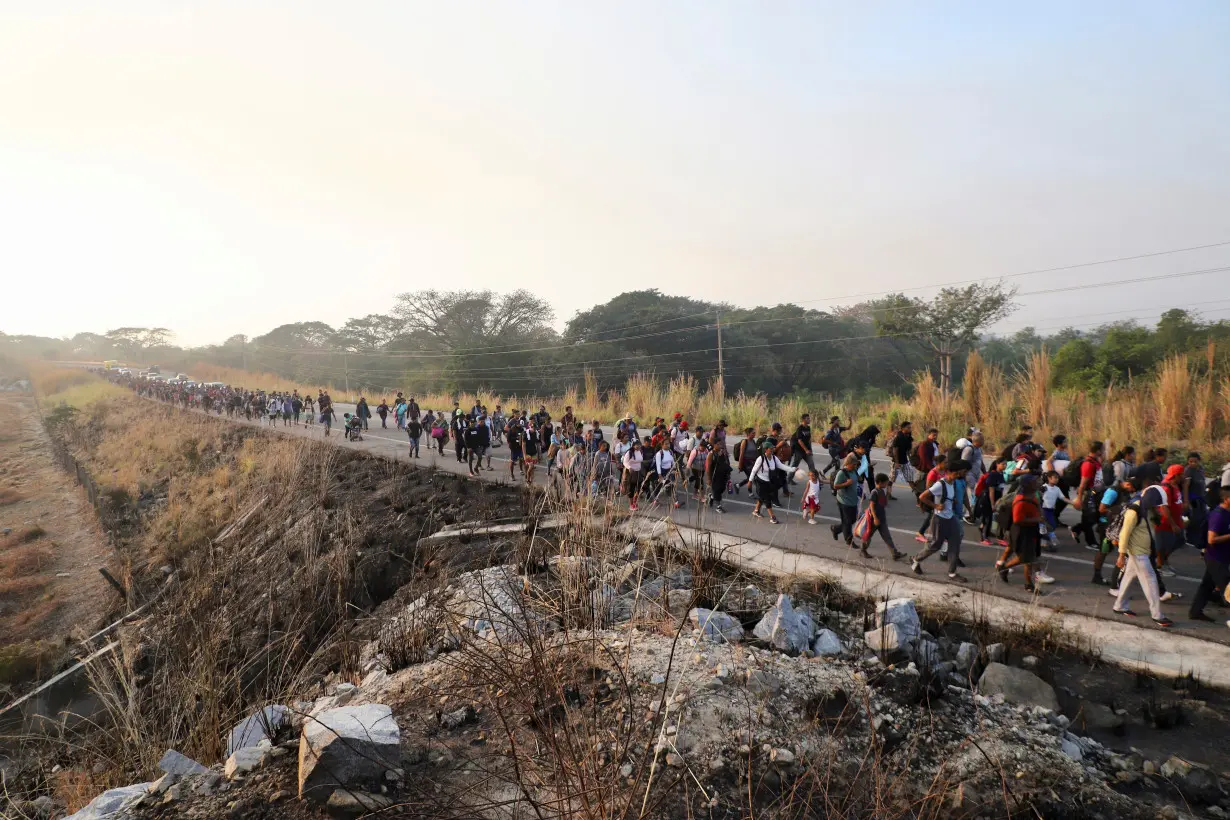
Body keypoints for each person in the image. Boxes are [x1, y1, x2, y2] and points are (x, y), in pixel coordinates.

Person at [1113, 490, 1174, 627]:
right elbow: (1124, 534)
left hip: (1144, 551)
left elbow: (1154, 524)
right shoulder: (1133, 511)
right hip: (1137, 552)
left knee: (1129, 578)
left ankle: (1120, 605)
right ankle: (1157, 615)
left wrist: (1158, 514)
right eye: (1156, 504)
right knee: (1150, 581)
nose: (1158, 507)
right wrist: (1121, 555)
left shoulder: (1148, 509)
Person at [911, 459, 968, 582]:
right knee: (935, 545)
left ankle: (952, 573)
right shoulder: (940, 485)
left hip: (950, 518)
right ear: (948, 472)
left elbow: (947, 497)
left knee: (955, 543)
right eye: (956, 473)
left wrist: (952, 501)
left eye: (959, 473)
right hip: (939, 519)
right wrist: (936, 506)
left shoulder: (952, 483)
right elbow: (922, 497)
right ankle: (916, 559)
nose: (958, 476)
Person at [998, 474, 1043, 592]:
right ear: (1028, 485)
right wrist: (1037, 519)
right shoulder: (1021, 500)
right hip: (1022, 531)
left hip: (1031, 530)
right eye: (1035, 481)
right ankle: (1004, 568)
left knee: (1028, 559)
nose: (1038, 482)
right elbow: (1017, 519)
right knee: (1025, 559)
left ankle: (1029, 584)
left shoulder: (1032, 495)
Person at [1190, 493, 1230, 625]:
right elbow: (1211, 539)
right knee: (1228, 588)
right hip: (1215, 557)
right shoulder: (1218, 515)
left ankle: (1195, 612)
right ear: (1226, 499)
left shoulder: (1227, 512)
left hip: (1222, 557)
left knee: (1207, 585)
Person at [1145, 464, 1188, 577]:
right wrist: (1173, 524)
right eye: (1182, 474)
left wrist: (1185, 488)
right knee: (1163, 546)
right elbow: (1164, 508)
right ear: (1177, 475)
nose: (1184, 476)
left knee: (1179, 542)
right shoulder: (1166, 488)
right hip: (1166, 523)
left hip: (1176, 521)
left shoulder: (1176, 486)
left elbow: (1181, 504)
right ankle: (1159, 566)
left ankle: (1163, 562)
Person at [861, 473, 904, 560]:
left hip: (882, 518)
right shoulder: (875, 492)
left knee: (887, 536)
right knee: (868, 535)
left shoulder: (881, 491)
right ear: (880, 482)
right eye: (885, 483)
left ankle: (894, 553)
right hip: (874, 519)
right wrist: (875, 518)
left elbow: (884, 503)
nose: (886, 484)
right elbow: (872, 506)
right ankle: (863, 550)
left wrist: (888, 493)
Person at [750, 443, 786, 524]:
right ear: (766, 449)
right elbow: (754, 470)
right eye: (771, 448)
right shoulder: (760, 459)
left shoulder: (774, 458)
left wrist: (793, 469)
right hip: (760, 482)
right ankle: (772, 517)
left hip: (768, 481)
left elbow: (781, 466)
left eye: (773, 448)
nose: (773, 449)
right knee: (767, 499)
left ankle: (756, 511)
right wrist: (750, 481)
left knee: (762, 497)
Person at [830, 455, 860, 545]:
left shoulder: (854, 471)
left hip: (853, 500)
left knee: (852, 520)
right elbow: (835, 486)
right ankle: (849, 541)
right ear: (848, 463)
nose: (855, 466)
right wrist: (846, 483)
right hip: (844, 501)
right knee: (847, 522)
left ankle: (835, 529)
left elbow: (857, 479)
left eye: (855, 465)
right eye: (853, 464)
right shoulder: (842, 473)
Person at [977, 458, 1007, 546]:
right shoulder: (993, 475)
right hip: (987, 500)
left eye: (1005, 464)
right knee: (987, 519)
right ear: (997, 464)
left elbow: (1001, 489)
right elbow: (991, 491)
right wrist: (993, 504)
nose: (1004, 466)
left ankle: (985, 532)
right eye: (1003, 464)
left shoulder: (1001, 474)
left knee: (988, 519)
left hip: (995, 499)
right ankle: (984, 538)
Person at [1184, 452, 1209, 551]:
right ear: (1188, 462)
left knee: (1202, 519)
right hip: (1193, 499)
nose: (1193, 463)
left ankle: (1199, 539)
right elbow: (1186, 486)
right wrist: (1186, 501)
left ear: (1199, 461)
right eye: (1190, 461)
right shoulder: (1188, 471)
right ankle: (1190, 540)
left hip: (1201, 498)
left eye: (1195, 461)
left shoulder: (1201, 469)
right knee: (1194, 520)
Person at [889, 421, 915, 499]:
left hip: (905, 461)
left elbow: (908, 450)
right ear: (903, 428)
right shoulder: (898, 437)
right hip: (896, 461)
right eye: (908, 427)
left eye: (910, 427)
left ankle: (918, 495)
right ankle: (888, 494)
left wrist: (911, 460)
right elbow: (895, 450)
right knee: (892, 479)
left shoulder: (908, 437)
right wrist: (897, 462)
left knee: (910, 478)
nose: (910, 429)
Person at [1041, 471, 1064, 551]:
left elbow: (1063, 498)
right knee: (1047, 527)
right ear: (1049, 478)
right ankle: (1044, 543)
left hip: (1051, 511)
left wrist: (1074, 502)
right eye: (1055, 478)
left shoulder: (1057, 489)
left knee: (1052, 526)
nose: (1057, 479)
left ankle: (1043, 542)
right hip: (1043, 510)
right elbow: (1038, 497)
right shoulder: (1044, 487)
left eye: (1058, 478)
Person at [707, 443, 732, 513]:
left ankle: (712, 496)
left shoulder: (723, 453)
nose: (720, 446)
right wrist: (709, 478)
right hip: (715, 475)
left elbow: (727, 463)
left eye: (720, 444)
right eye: (718, 444)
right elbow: (708, 467)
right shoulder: (711, 454)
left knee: (722, 489)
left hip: (723, 475)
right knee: (717, 490)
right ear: (714, 445)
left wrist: (728, 473)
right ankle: (718, 507)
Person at [734, 427, 758, 494]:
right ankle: (750, 493)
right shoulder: (745, 442)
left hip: (752, 463)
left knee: (750, 477)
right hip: (746, 463)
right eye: (753, 433)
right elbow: (741, 454)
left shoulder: (753, 441)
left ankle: (738, 485)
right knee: (752, 477)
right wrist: (740, 465)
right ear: (748, 434)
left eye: (754, 433)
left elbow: (755, 453)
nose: (754, 434)